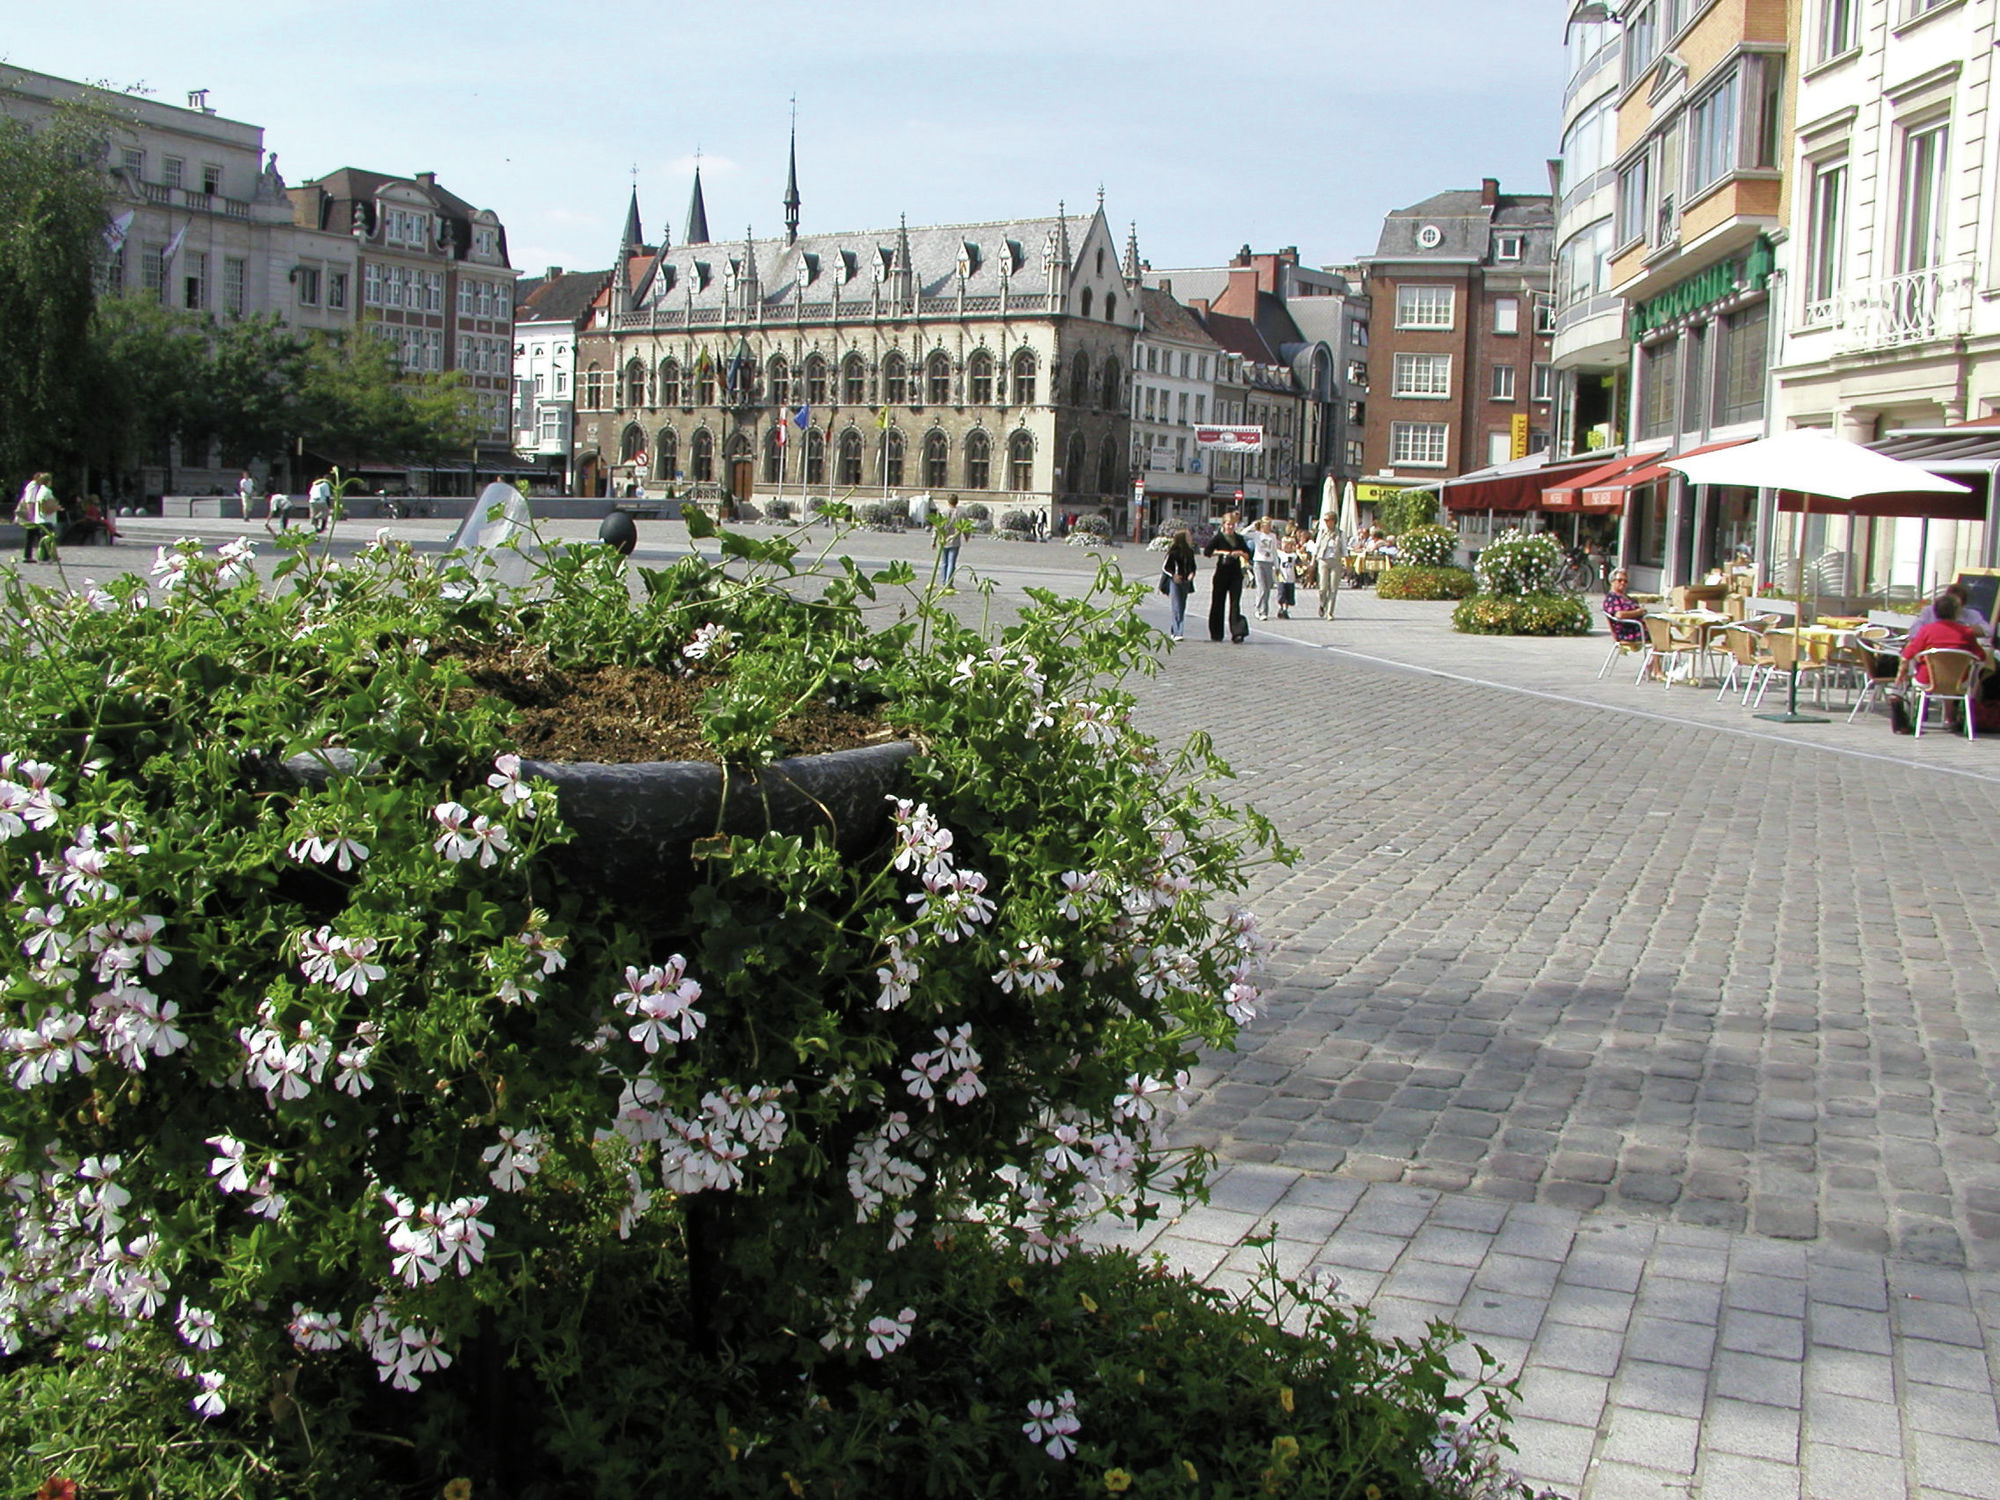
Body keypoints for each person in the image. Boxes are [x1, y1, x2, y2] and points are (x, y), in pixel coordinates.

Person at [1901, 590, 1989, 690]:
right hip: (1959, 682)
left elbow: (1908, 653)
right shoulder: (1966, 632)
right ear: (1957, 612)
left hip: (1927, 680)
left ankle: (1914, 701)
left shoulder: (1927, 630)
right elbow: (1981, 656)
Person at [1204, 512, 1252, 642]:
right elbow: (1207, 552)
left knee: (1235, 603)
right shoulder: (1219, 538)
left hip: (1235, 573)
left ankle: (1237, 632)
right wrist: (1222, 552)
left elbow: (1248, 554)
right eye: (1228, 525)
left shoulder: (1239, 538)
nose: (1231, 527)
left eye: (1233, 525)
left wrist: (1240, 553)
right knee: (1218, 603)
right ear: (1223, 525)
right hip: (1221, 573)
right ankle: (1216, 633)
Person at [1912, 583, 1992, 639]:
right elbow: (1914, 632)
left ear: (1963, 605)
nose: (1952, 608)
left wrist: (1963, 629)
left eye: (1956, 606)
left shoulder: (1970, 615)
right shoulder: (1929, 611)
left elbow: (1988, 631)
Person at [1162, 527, 1197, 640]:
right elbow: (1165, 567)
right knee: (1176, 606)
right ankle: (1178, 632)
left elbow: (1193, 566)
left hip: (1186, 582)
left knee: (1182, 606)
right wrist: (1174, 575)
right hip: (1175, 582)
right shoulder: (1174, 552)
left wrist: (1192, 573)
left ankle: (1174, 629)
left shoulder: (1190, 552)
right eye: (1188, 537)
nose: (1190, 538)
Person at [17, 472, 58, 562]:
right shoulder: (32, 486)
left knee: (35, 536)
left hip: (36, 516)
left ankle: (42, 555)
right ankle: (42, 556)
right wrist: (31, 516)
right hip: (32, 516)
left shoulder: (38, 487)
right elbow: (30, 501)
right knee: (36, 536)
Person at [1313, 514, 1346, 619]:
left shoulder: (1340, 534)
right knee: (1322, 588)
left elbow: (1344, 549)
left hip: (1335, 561)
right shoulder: (1322, 532)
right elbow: (1317, 546)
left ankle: (1330, 612)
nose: (1327, 523)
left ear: (1334, 521)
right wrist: (1313, 561)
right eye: (1325, 520)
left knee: (1333, 588)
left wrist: (1347, 562)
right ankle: (1322, 603)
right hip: (1323, 560)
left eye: (1328, 520)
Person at [1602, 568, 1645, 643]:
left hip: (1639, 628)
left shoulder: (1626, 597)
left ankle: (1656, 653)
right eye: (1619, 580)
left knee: (1661, 630)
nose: (1623, 583)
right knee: (1659, 635)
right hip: (1628, 632)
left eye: (1625, 581)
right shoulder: (1612, 598)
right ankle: (1656, 654)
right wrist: (1638, 612)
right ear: (1612, 582)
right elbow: (1619, 615)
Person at [1249, 517, 1279, 620]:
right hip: (1259, 562)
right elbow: (1243, 533)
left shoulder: (1273, 536)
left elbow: (1274, 551)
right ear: (1262, 526)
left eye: (1269, 525)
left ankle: (1264, 609)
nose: (1268, 527)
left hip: (1269, 562)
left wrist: (1277, 565)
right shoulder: (1257, 535)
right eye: (1266, 525)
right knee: (1261, 587)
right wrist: (1253, 526)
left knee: (1267, 587)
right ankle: (1260, 610)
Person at [936, 495, 963, 589]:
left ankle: (943, 581)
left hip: (943, 540)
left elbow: (937, 527)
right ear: (957, 502)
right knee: (951, 563)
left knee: (944, 562)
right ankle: (949, 582)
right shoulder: (960, 513)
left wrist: (934, 540)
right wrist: (967, 535)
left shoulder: (943, 512)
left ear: (948, 502)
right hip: (954, 541)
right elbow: (964, 525)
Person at [1275, 531, 1299, 619]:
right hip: (1282, 577)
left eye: (1289, 545)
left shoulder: (1294, 555)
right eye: (1284, 544)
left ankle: (1285, 609)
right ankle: (1281, 608)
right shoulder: (1280, 554)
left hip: (1291, 578)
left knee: (1289, 595)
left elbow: (1299, 564)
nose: (1286, 547)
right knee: (1282, 594)